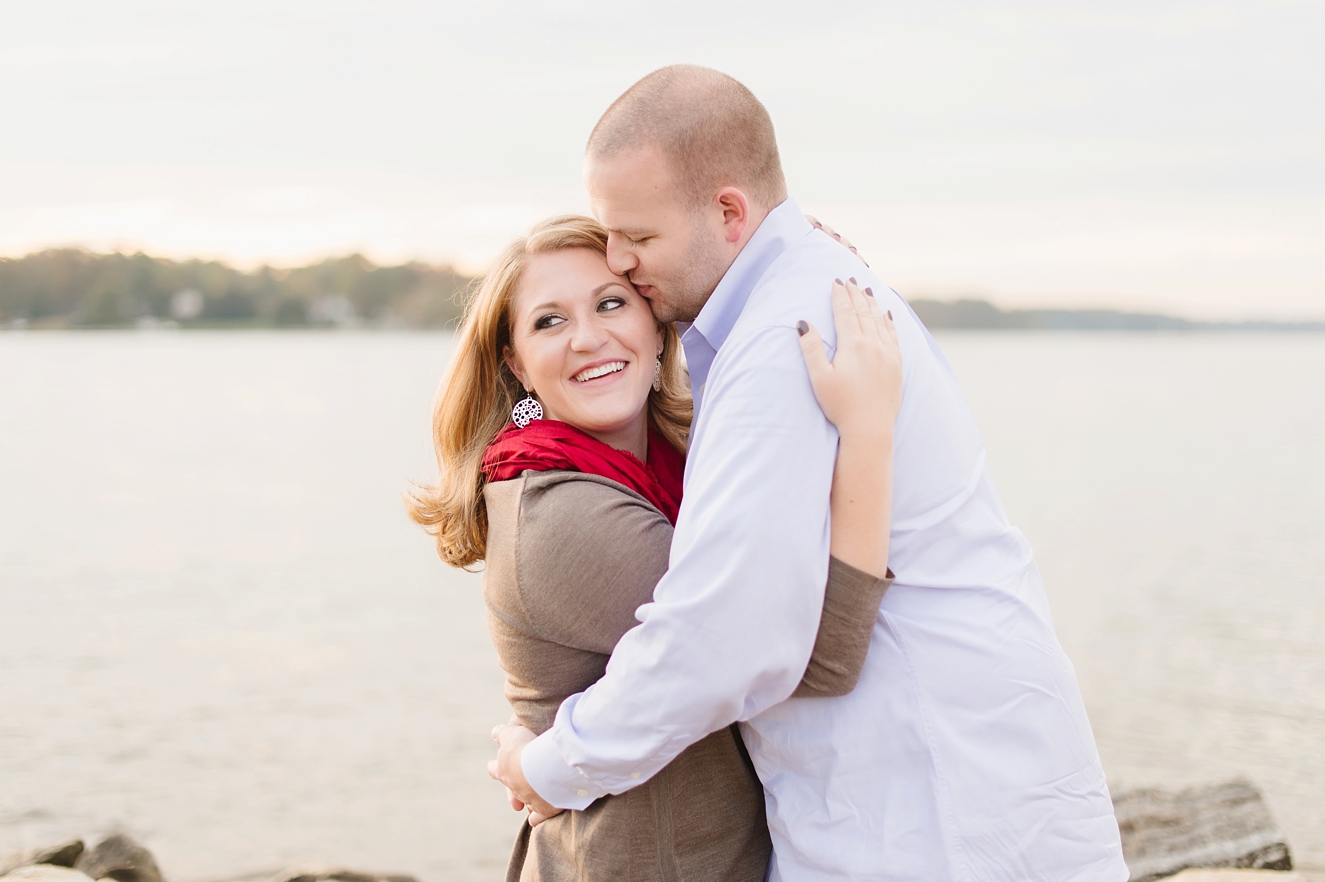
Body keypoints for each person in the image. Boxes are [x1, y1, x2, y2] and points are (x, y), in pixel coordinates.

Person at [488, 65, 1130, 881]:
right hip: (926, 788)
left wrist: (546, 766)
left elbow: (724, 633)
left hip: (925, 810)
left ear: (729, 213)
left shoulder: (786, 338)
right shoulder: (794, 297)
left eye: (638, 243)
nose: (622, 265)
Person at [408, 215, 903, 880]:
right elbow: (817, 661)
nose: (588, 338)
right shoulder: (563, 515)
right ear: (516, 363)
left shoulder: (679, 459)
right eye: (548, 322)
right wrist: (869, 433)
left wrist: (807, 278)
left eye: (610, 303)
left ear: (655, 321)